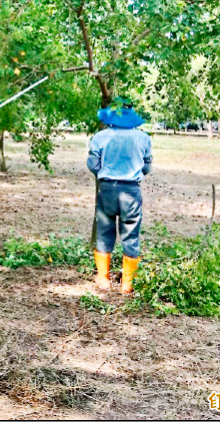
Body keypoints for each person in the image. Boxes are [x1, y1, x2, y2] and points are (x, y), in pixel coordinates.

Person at [86, 100, 152, 294]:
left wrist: (105, 171)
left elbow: (92, 164)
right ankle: (127, 284)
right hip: (131, 190)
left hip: (107, 188)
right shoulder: (144, 138)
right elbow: (147, 167)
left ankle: (103, 279)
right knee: (131, 233)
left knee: (105, 230)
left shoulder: (99, 137)